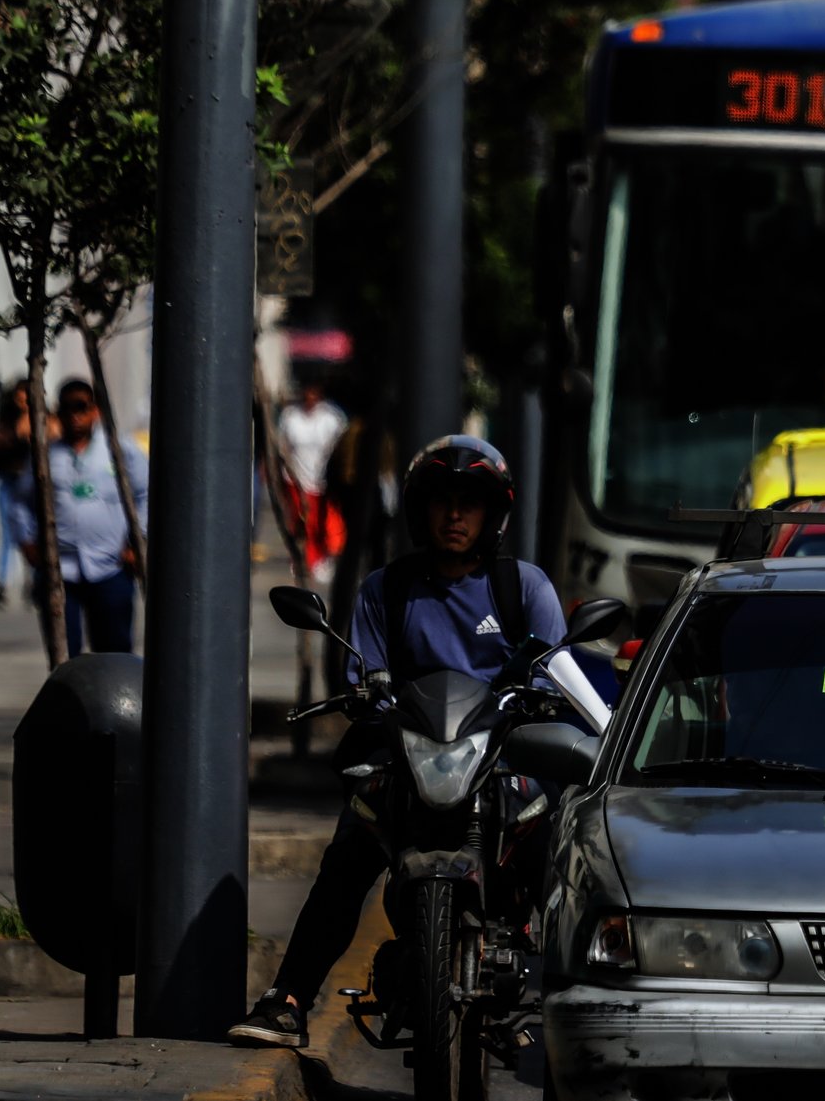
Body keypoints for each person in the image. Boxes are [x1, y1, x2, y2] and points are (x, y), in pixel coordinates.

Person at [228, 435, 606, 1049]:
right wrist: (364, 700)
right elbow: (366, 681)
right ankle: (288, 999)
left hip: (500, 760)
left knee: (560, 857)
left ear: (493, 514)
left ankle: (577, 1008)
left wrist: (543, 701)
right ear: (420, 510)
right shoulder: (387, 590)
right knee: (349, 853)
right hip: (414, 756)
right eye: (442, 502)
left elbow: (554, 673)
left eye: (470, 503)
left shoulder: (524, 588)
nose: (454, 516)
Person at [9, 379, 148, 656]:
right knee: (64, 653)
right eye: (67, 408)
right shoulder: (47, 455)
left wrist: (138, 541)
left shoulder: (119, 451)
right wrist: (27, 544)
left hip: (111, 567)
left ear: (95, 410)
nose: (75, 415)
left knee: (114, 653)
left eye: (81, 407)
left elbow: (146, 493)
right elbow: (20, 503)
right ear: (57, 413)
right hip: (61, 572)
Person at [0, 379, 52, 608]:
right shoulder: (7, 419)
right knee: (8, 535)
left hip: (33, 483)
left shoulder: (43, 418)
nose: (22, 401)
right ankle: (2, 583)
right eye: (19, 397)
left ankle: (32, 583)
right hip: (9, 481)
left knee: (32, 533)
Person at [279, 379, 349, 580]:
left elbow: (340, 446)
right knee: (301, 521)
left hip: (323, 478)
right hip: (297, 478)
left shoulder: (332, 417)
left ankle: (321, 558)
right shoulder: (290, 416)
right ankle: (304, 559)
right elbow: (283, 446)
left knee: (322, 521)